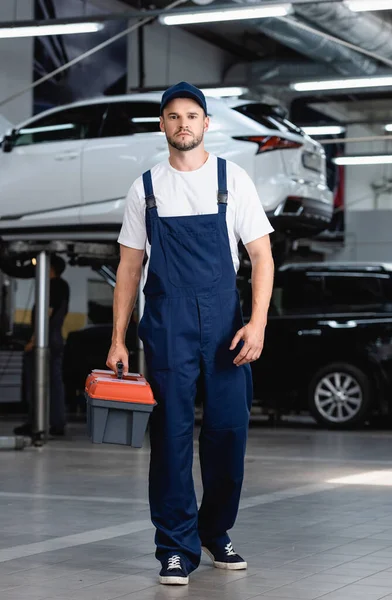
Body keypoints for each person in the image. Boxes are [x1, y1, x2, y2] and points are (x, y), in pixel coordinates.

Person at [106, 82, 274, 585]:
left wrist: (258, 322)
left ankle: (214, 530)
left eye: (193, 116)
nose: (183, 124)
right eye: (174, 116)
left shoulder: (232, 178)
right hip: (166, 325)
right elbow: (129, 268)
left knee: (228, 433)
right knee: (172, 437)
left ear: (206, 124)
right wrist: (118, 338)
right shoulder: (146, 188)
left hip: (225, 327)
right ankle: (174, 547)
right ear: (163, 125)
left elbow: (262, 256)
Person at [14, 254, 70, 437]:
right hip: (54, 340)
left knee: (36, 381)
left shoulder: (54, 286)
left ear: (50, 267)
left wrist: (33, 341)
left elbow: (46, 315)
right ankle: (56, 422)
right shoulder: (62, 286)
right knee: (54, 381)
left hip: (46, 341)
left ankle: (36, 422)